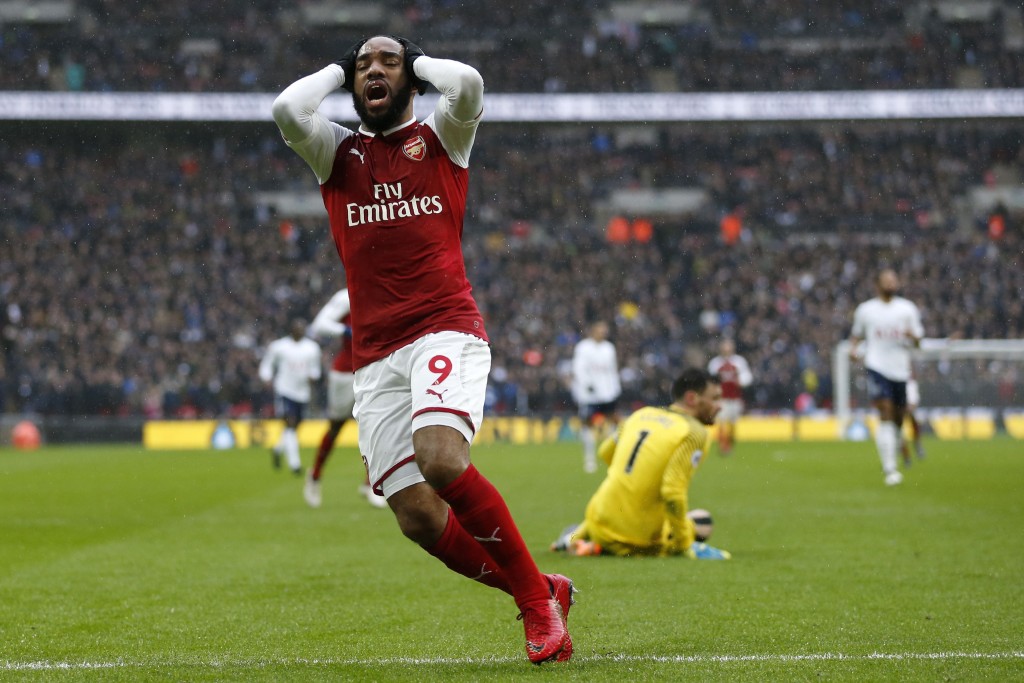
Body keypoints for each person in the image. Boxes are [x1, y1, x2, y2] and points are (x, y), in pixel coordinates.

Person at [272, 35, 574, 664]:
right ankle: (542, 588)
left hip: (444, 327)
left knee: (440, 458)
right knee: (415, 515)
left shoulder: (442, 139)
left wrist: (414, 63)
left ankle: (536, 609)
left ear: (411, 80)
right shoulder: (336, 153)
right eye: (362, 67)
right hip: (375, 356)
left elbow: (467, 83)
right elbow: (285, 109)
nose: (371, 72)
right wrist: (340, 66)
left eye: (386, 63)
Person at [551, 367, 731, 559]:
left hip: (598, 519)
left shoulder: (640, 414)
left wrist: (635, 478)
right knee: (703, 521)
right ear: (692, 398)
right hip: (638, 539)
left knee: (610, 502)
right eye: (715, 398)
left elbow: (605, 452)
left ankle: (577, 537)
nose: (720, 406)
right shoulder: (695, 432)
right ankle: (600, 543)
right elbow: (672, 491)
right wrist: (684, 545)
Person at [306, 288, 386, 509]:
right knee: (336, 427)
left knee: (374, 426)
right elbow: (319, 325)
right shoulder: (346, 296)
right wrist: (345, 330)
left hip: (373, 369)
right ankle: (314, 476)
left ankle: (370, 484)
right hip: (344, 372)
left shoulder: (386, 289)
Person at [848, 269, 924, 486]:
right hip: (877, 367)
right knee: (886, 412)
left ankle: (897, 446)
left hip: (900, 369)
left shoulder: (907, 309)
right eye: (887, 280)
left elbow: (918, 340)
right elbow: (856, 336)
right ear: (877, 284)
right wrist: (853, 351)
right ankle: (890, 467)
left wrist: (913, 337)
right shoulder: (866, 310)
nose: (891, 283)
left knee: (899, 417)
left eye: (894, 279)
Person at [258, 318, 323, 475]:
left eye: (302, 328)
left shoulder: (312, 348)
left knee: (293, 428)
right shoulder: (279, 347)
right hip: (284, 390)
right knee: (290, 423)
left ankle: (277, 448)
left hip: (302, 393)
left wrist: (313, 377)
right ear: (291, 330)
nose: (300, 330)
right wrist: (266, 377)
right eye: (297, 327)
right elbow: (267, 365)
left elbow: (315, 370)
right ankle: (295, 465)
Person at [571, 321, 621, 473]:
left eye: (605, 331)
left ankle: (612, 457)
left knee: (612, 423)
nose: (603, 333)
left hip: (608, 393)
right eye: (600, 330)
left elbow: (612, 370)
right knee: (588, 425)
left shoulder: (609, 348)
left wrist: (615, 388)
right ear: (593, 331)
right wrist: (587, 385)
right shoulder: (583, 347)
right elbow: (578, 368)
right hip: (590, 395)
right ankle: (589, 459)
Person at [707, 338, 753, 455]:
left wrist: (740, 382)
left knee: (732, 423)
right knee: (721, 421)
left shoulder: (739, 362)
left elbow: (747, 377)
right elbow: (710, 380)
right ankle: (723, 446)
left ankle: (730, 442)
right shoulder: (715, 363)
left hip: (735, 397)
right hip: (721, 398)